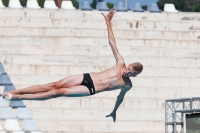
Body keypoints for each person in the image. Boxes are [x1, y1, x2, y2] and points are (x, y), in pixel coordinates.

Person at [3, 8, 143, 122]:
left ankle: (19, 97)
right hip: (87, 77)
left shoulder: (127, 85)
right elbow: (112, 43)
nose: (127, 73)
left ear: (134, 76)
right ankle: (17, 91)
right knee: (53, 85)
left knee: (58, 93)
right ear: (128, 65)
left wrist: (114, 111)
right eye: (129, 70)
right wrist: (108, 21)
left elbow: (120, 98)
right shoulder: (120, 63)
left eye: (131, 74)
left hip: (91, 89)